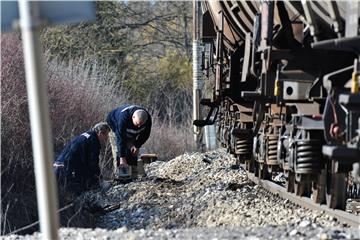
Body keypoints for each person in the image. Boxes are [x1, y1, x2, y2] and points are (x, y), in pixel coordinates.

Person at [53, 122, 110, 195]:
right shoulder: (94, 140)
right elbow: (93, 163)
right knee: (74, 195)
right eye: (106, 135)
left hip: (58, 164)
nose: (106, 138)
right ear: (100, 133)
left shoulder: (85, 135)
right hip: (66, 169)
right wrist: (99, 178)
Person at [106, 104, 151, 180]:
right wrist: (122, 158)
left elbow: (145, 134)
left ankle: (133, 176)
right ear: (133, 117)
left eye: (141, 125)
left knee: (132, 151)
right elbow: (120, 138)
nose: (139, 126)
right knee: (118, 152)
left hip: (130, 132)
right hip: (115, 127)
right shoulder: (123, 118)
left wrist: (137, 145)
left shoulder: (147, 118)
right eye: (137, 123)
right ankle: (121, 176)